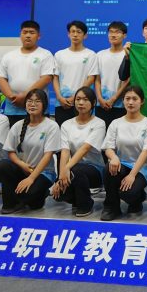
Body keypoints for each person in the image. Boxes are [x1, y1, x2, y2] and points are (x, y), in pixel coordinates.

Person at [0, 88, 60, 214]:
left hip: (43, 173)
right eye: (29, 101)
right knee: (3, 165)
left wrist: (31, 178)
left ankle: (39, 195)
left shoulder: (51, 126)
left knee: (31, 199)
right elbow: (10, 151)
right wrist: (22, 165)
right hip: (23, 169)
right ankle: (9, 204)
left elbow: (48, 156)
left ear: (44, 105)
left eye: (37, 101)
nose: (32, 104)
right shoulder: (18, 125)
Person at [101, 86, 147, 221]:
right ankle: (111, 207)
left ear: (142, 101)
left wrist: (132, 175)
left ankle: (138, 199)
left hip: (140, 169)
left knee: (128, 193)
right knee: (108, 169)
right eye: (127, 99)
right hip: (121, 164)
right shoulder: (116, 123)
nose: (130, 102)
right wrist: (114, 157)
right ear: (123, 101)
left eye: (134, 99)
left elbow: (146, 152)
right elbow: (108, 147)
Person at [51, 86, 106, 217]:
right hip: (73, 168)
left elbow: (85, 148)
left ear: (93, 103)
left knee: (76, 170)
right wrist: (61, 176)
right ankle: (77, 199)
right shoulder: (66, 124)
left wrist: (66, 169)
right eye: (78, 99)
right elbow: (65, 151)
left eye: (85, 100)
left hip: (95, 171)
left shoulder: (99, 123)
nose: (81, 103)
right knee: (58, 194)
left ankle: (85, 205)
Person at [0, 20, 55, 126]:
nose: (28, 35)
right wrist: (11, 97)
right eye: (25, 32)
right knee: (14, 135)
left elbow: (46, 78)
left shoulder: (45, 54)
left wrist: (25, 96)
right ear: (20, 35)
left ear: (39, 36)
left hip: (37, 108)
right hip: (12, 107)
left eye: (32, 32)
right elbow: (1, 77)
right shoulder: (9, 55)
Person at [53, 20, 99, 125]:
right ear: (68, 34)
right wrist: (59, 97)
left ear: (85, 35)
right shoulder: (59, 54)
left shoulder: (91, 55)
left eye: (79, 32)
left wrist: (75, 97)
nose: (75, 34)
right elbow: (55, 78)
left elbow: (91, 78)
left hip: (83, 103)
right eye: (72, 31)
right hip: (62, 103)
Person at [95, 21, 129, 129]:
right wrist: (100, 99)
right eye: (111, 32)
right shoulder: (100, 55)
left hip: (121, 105)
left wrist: (114, 98)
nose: (113, 35)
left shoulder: (128, 55)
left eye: (117, 32)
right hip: (101, 105)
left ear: (124, 35)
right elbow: (97, 79)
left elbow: (128, 80)